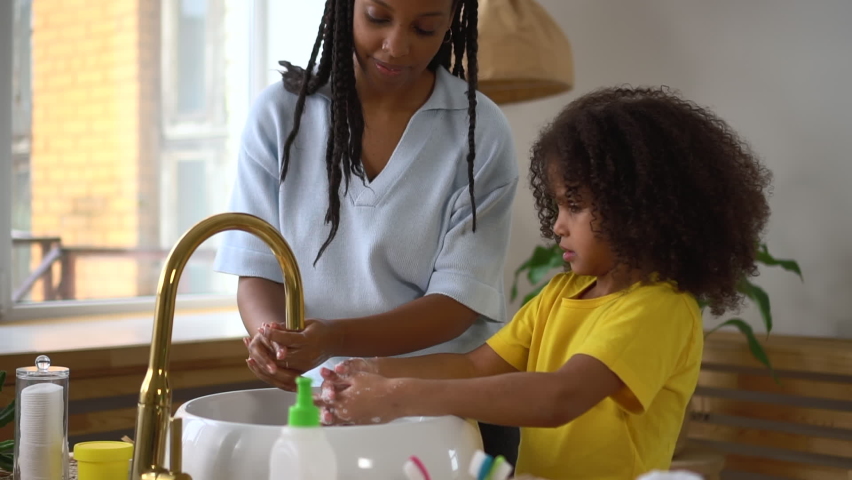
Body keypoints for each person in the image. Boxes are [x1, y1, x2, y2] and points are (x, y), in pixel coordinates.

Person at [318, 86, 773, 479]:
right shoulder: (559, 295)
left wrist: (400, 396)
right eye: (556, 206)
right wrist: (374, 370)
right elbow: (475, 367)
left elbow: (559, 396)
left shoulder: (659, 310)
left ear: (639, 208)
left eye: (574, 205)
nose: (557, 226)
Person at [212, 0, 521, 462]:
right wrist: (274, 339)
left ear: (451, 23)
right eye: (377, 18)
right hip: (325, 409)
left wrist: (333, 339)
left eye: (425, 28)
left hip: (450, 412)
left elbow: (457, 305)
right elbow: (258, 269)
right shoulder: (281, 116)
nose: (396, 46)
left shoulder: (480, 133)